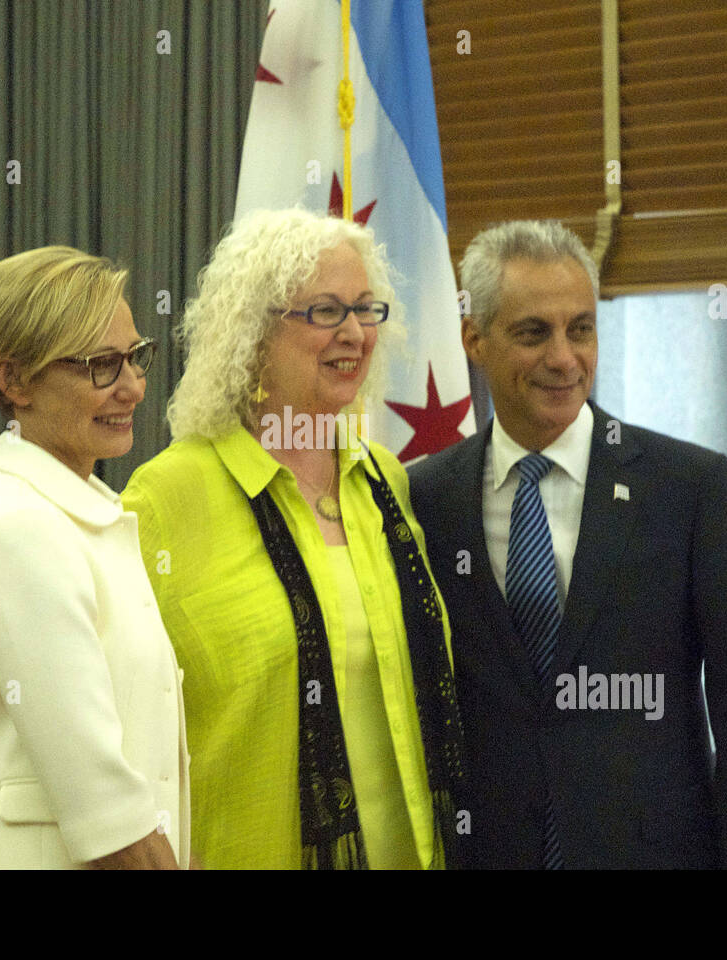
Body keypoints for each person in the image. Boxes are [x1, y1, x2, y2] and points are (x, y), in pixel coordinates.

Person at [408, 220, 727, 869]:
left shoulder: (690, 489)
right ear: (474, 338)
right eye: (534, 332)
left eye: (580, 329)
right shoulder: (426, 498)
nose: (564, 357)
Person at [121, 208, 463, 869]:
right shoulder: (169, 496)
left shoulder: (383, 481)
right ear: (254, 332)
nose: (357, 333)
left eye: (367, 310)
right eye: (326, 311)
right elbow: (87, 654)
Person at [0, 245, 190, 869]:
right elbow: (109, 814)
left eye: (135, 357)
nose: (134, 386)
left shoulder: (74, 506)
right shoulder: (22, 528)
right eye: (102, 366)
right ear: (15, 380)